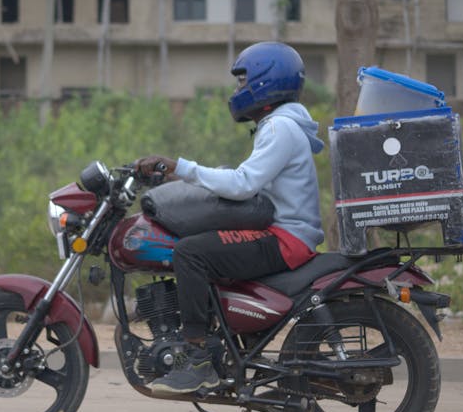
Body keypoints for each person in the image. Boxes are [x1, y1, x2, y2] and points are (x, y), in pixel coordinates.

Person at [135, 41, 325, 394]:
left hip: (286, 238)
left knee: (190, 253)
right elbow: (246, 179)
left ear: (267, 81)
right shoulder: (280, 125)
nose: (238, 89)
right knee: (206, 243)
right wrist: (179, 177)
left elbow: (243, 184)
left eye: (243, 81)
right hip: (282, 231)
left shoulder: (280, 128)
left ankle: (198, 359)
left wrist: (181, 167)